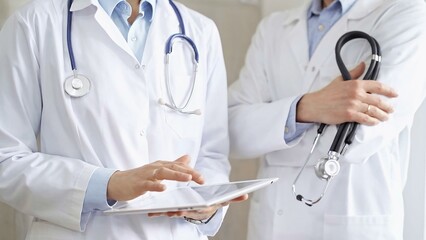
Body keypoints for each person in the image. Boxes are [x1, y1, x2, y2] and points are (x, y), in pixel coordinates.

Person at [0, 0, 247, 239]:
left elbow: (211, 155)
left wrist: (207, 203)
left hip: (176, 232)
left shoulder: (200, 30)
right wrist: (107, 185)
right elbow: (7, 158)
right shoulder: (34, 24)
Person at [228, 0, 426, 239]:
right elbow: (231, 131)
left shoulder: (407, 12)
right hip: (273, 224)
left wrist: (272, 128)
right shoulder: (272, 27)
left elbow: (359, 137)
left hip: (351, 220)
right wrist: (306, 107)